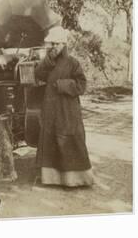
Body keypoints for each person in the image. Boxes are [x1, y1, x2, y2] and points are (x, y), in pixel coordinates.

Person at [34, 26, 94, 187]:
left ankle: (75, 180)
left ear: (63, 44)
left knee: (69, 139)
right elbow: (38, 74)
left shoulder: (73, 63)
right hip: (51, 109)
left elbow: (82, 85)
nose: (52, 47)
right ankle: (51, 179)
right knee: (51, 139)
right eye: (51, 44)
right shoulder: (49, 62)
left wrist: (62, 84)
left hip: (68, 109)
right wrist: (47, 61)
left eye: (55, 44)